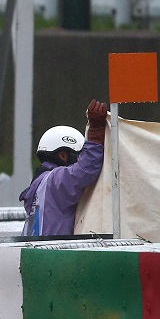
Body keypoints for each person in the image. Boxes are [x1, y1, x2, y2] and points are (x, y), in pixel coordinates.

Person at [20, 99, 109, 236]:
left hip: (39, 252)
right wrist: (96, 133)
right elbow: (84, 170)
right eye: (77, 155)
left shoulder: (39, 185)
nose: (78, 159)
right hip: (55, 254)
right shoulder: (54, 181)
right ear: (62, 155)